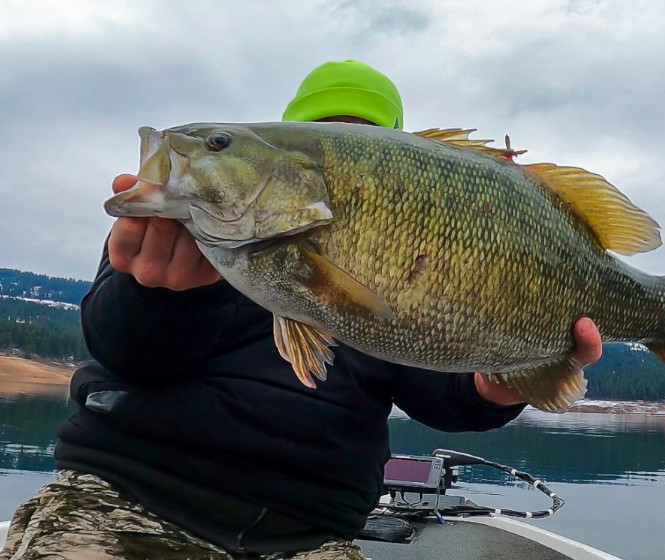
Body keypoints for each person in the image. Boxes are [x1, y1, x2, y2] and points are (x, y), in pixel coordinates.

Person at [0, 60, 602, 560]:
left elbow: (432, 389)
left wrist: (492, 387)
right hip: (129, 496)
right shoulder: (175, 230)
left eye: (363, 140)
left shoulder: (419, 259)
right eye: (326, 135)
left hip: (314, 534)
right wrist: (156, 293)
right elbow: (125, 350)